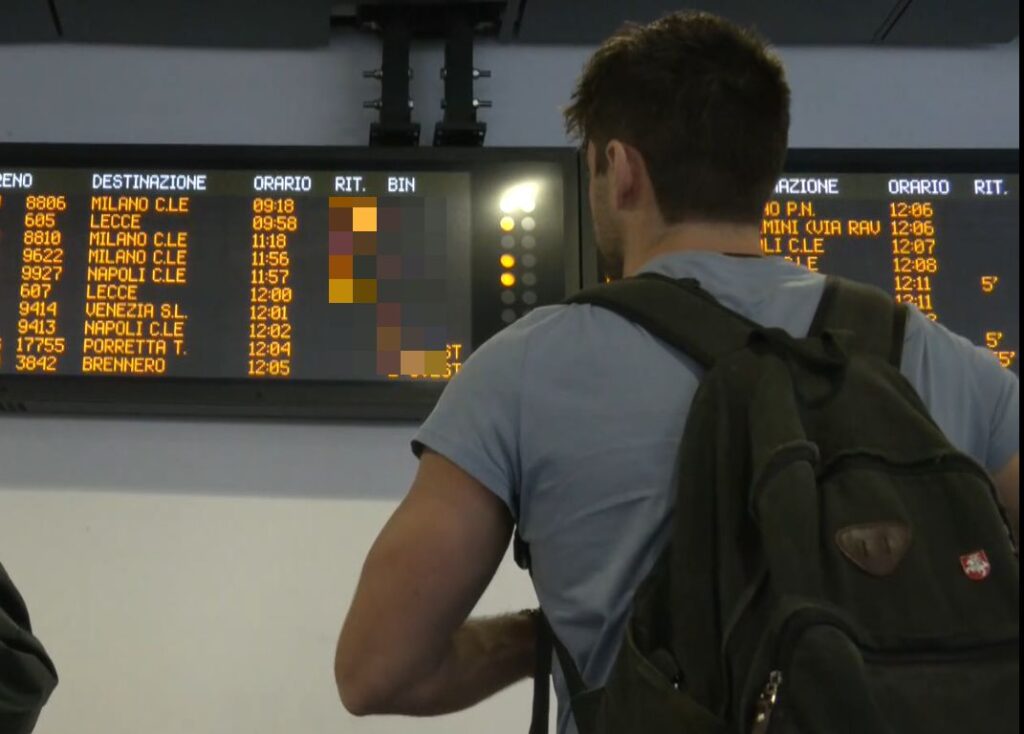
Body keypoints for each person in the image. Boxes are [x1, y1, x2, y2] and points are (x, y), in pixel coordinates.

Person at [334, 11, 1019, 733]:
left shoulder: (522, 369)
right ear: (765, 166)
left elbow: (379, 667)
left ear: (622, 170)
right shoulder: (937, 356)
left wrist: (538, 638)